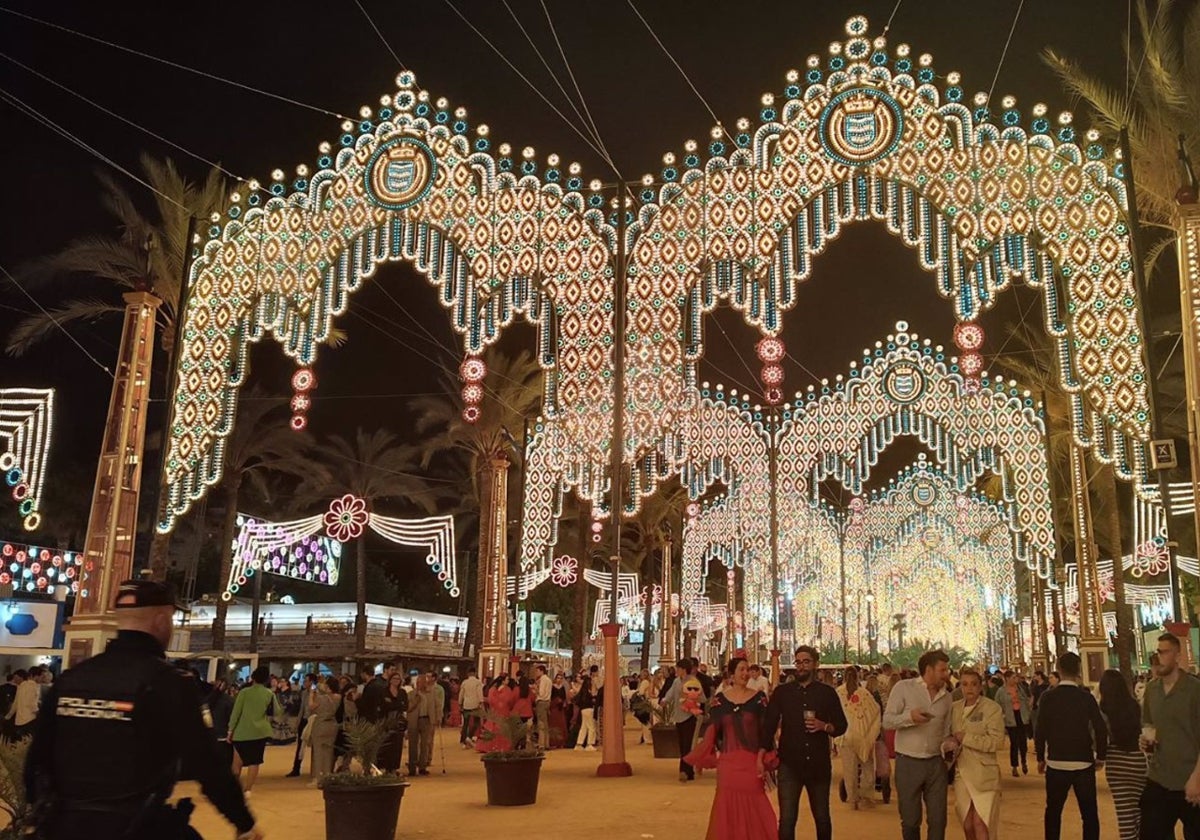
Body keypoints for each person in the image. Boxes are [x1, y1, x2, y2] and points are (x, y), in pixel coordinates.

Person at [24, 579, 261, 840]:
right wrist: (244, 822)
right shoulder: (168, 682)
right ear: (161, 620)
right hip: (137, 826)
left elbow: (36, 761)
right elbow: (207, 763)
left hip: (65, 826)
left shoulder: (72, 679)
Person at [683, 657, 776, 839]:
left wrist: (763, 758)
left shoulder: (759, 698)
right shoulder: (720, 700)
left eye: (747, 669)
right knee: (726, 805)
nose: (745, 673)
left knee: (756, 804)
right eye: (741, 669)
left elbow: (766, 731)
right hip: (728, 763)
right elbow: (713, 730)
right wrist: (704, 753)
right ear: (731, 674)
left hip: (751, 762)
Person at [763, 645, 848, 840]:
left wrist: (824, 726)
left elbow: (842, 726)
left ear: (815, 664)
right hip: (789, 765)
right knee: (787, 819)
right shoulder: (783, 693)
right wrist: (763, 752)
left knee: (822, 818)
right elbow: (768, 725)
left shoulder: (827, 693)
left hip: (818, 766)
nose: (801, 666)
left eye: (806, 662)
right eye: (798, 662)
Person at [1034, 651, 1107, 840]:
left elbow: (1040, 729)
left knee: (1054, 811)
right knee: (1089, 813)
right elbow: (1100, 727)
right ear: (1079, 670)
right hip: (1083, 762)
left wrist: (1041, 757)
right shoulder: (1086, 697)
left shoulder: (1048, 698)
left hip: (1057, 762)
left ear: (1058, 670)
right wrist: (1101, 756)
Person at [883, 649, 954, 840]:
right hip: (908, 763)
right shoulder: (904, 688)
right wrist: (910, 718)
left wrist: (949, 744)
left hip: (936, 765)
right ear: (929, 670)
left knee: (939, 820)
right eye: (943, 670)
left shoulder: (947, 698)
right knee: (910, 820)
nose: (947, 674)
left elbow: (946, 731)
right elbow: (887, 721)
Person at [1139, 632, 1200, 838]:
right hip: (1159, 777)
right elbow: (1148, 723)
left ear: (1177, 655)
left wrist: (1196, 778)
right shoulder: (1152, 690)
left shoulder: (1194, 690)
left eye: (1165, 652)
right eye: (1158, 652)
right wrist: (1146, 741)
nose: (1160, 657)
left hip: (1190, 779)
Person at [950, 669, 1004, 840]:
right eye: (964, 684)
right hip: (962, 774)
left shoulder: (991, 708)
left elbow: (997, 741)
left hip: (984, 774)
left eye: (974, 684)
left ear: (980, 686)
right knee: (967, 824)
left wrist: (967, 738)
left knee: (981, 823)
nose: (969, 688)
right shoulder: (954, 708)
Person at [1097, 669, 1146, 840]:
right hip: (1138, 760)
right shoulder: (1134, 706)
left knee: (1124, 813)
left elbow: (1099, 736)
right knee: (1140, 809)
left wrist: (1099, 758)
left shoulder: (1103, 709)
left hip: (1116, 762)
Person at [228, 665, 282, 795]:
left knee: (237, 762)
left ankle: (233, 789)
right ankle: (248, 789)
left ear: (252, 677)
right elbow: (277, 711)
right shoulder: (269, 694)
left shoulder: (244, 692)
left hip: (241, 731)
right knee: (255, 761)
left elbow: (236, 712)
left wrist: (230, 729)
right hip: (260, 732)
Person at [836, 666, 881, 810]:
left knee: (849, 769)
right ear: (858, 676)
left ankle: (852, 799)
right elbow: (876, 712)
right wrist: (870, 732)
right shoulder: (864, 693)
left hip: (845, 736)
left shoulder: (838, 693)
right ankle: (867, 798)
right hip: (863, 736)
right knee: (867, 767)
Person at [664, 658, 706, 779]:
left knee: (688, 744)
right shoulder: (677, 681)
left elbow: (702, 698)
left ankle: (685, 770)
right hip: (678, 716)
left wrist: (693, 698)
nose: (676, 670)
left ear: (683, 670)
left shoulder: (693, 681)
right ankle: (688, 771)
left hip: (690, 717)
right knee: (682, 745)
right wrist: (665, 701)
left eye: (678, 668)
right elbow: (671, 693)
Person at [307, 676, 340, 784]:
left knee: (318, 752)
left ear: (328, 687)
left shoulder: (322, 698)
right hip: (333, 724)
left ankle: (317, 778)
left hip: (321, 724)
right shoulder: (338, 697)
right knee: (329, 752)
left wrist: (311, 695)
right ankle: (327, 775)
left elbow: (311, 707)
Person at [286, 673, 317, 777]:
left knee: (316, 747)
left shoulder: (317, 693)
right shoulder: (304, 693)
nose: (304, 682)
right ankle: (296, 768)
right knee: (300, 745)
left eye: (306, 681)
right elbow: (302, 709)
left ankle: (315, 770)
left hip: (313, 721)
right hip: (304, 720)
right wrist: (297, 723)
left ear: (311, 682)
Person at [1000, 670, 1031, 776]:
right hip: (1010, 718)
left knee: (1023, 742)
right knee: (1014, 743)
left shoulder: (1020, 689)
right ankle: (1014, 766)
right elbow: (997, 705)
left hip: (1021, 717)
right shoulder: (1001, 691)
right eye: (1013, 677)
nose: (1015, 680)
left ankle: (1024, 761)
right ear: (1007, 679)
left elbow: (1027, 700)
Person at [379, 670, 409, 772]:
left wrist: (393, 705)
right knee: (386, 744)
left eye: (398, 679)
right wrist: (395, 706)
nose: (396, 681)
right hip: (386, 722)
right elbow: (383, 706)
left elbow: (405, 706)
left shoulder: (402, 692)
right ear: (390, 680)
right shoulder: (384, 691)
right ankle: (384, 767)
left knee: (397, 746)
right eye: (394, 679)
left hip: (398, 722)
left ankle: (394, 768)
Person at [408, 674, 437, 775]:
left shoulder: (431, 693)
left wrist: (436, 718)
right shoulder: (411, 694)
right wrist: (415, 701)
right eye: (419, 682)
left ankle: (422, 766)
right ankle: (412, 767)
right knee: (413, 745)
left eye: (424, 682)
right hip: (414, 720)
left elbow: (435, 706)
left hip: (426, 720)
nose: (422, 684)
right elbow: (408, 708)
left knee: (425, 744)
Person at [572, 674, 598, 751]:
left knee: (583, 727)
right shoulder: (589, 692)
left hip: (583, 710)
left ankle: (579, 744)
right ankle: (589, 744)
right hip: (589, 709)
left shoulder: (582, 691)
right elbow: (593, 700)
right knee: (591, 727)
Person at [549, 672, 569, 749]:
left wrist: (563, 703)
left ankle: (561, 742)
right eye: (558, 678)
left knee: (561, 724)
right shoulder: (552, 687)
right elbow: (551, 697)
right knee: (553, 724)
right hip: (554, 708)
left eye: (561, 678)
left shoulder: (562, 687)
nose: (559, 680)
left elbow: (564, 697)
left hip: (560, 709)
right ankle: (553, 742)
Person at [534, 664, 552, 748]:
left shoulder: (542, 680)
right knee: (546, 723)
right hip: (547, 701)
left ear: (541, 671)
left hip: (541, 701)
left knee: (541, 723)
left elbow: (541, 693)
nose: (536, 673)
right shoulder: (549, 680)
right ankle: (546, 743)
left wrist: (535, 688)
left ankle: (542, 744)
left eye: (537, 671)